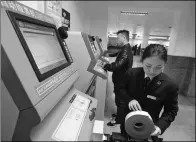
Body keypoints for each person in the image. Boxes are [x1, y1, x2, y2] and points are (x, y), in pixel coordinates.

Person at [118, 44, 179, 140]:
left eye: (159, 67)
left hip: (150, 127)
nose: (152, 71)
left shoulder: (170, 85)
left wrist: (160, 126)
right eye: (148, 66)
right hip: (128, 121)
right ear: (142, 61)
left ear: (164, 64)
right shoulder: (131, 73)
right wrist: (129, 100)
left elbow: (171, 111)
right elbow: (120, 90)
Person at [103, 29, 133, 126]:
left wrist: (107, 66)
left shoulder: (125, 50)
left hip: (122, 80)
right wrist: (107, 54)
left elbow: (117, 65)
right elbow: (118, 54)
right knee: (119, 99)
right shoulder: (126, 48)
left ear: (124, 38)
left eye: (118, 38)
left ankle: (119, 120)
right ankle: (119, 115)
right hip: (122, 79)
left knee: (120, 100)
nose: (117, 40)